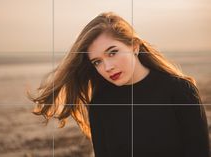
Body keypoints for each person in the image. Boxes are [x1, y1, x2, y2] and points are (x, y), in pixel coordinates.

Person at [27, 12, 210, 157]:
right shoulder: (101, 104)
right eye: (97, 61)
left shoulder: (180, 91)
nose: (107, 67)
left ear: (134, 46)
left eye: (112, 53)